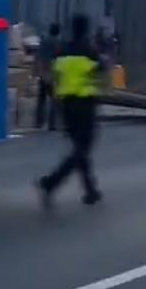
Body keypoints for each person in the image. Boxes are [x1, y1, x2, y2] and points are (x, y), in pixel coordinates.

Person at [38, 14, 103, 207]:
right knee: (82, 150)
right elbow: (100, 76)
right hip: (85, 105)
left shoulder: (62, 51)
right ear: (86, 29)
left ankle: (90, 191)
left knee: (79, 149)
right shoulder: (90, 51)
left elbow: (53, 76)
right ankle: (51, 182)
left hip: (66, 106)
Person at [33, 23, 61, 131]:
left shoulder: (43, 41)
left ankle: (38, 122)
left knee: (41, 98)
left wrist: (36, 71)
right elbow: (59, 57)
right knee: (54, 98)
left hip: (42, 71)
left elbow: (38, 56)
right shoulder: (57, 42)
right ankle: (52, 124)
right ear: (58, 32)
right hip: (51, 72)